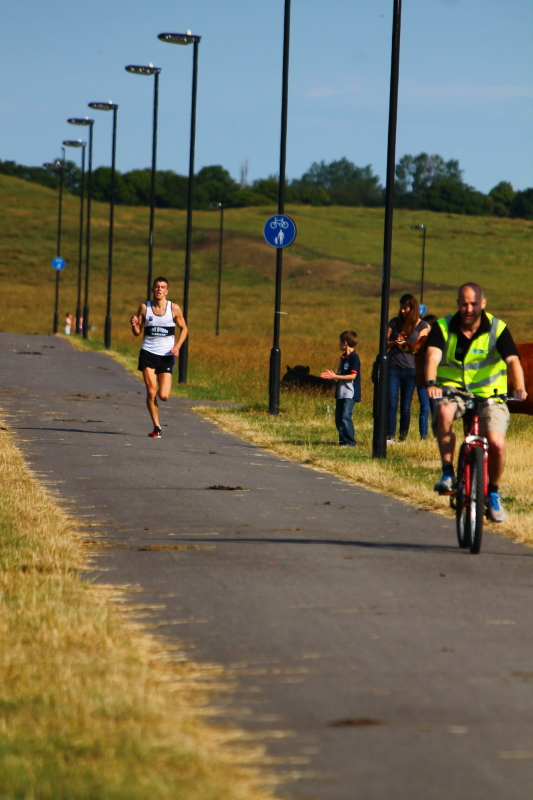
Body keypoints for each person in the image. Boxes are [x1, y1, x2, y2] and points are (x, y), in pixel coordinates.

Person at [425, 282, 527, 522]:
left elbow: (512, 360)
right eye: (464, 304)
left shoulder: (497, 328)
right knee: (445, 412)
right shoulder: (443, 327)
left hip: (491, 395)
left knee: (497, 442)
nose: (468, 309)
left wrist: (520, 388)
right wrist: (431, 382)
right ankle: (448, 472)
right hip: (454, 391)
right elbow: (432, 356)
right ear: (458, 304)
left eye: (473, 304)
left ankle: (493, 492)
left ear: (483, 303)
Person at [130, 277, 188, 438]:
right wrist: (134, 324)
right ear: (152, 289)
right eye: (157, 287)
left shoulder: (174, 309)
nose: (159, 289)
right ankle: (157, 427)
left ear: (166, 291)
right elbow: (137, 332)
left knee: (164, 396)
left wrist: (177, 347)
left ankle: (157, 423)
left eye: (162, 287)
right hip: (148, 352)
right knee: (151, 391)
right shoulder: (144, 307)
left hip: (166, 356)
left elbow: (184, 329)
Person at [386, 294, 430, 443]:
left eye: (406, 308)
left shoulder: (422, 325)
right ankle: (389, 435)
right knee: (392, 403)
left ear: (412, 309)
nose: (403, 311)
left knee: (406, 405)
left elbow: (420, 346)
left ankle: (402, 437)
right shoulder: (394, 323)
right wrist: (396, 342)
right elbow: (384, 343)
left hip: (411, 369)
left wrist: (407, 344)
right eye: (401, 308)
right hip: (393, 367)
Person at [320, 330, 361, 447]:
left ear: (345, 343)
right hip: (341, 392)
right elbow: (342, 373)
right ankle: (343, 440)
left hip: (349, 393)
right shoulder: (343, 357)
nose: (339, 345)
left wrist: (335, 376)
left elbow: (353, 375)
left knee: (345, 417)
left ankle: (350, 441)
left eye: (340, 342)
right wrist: (334, 374)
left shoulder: (354, 358)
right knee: (338, 419)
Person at [414, 314, 438, 439]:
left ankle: (436, 434)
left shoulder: (439, 342)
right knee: (424, 408)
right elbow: (412, 350)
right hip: (422, 380)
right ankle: (423, 436)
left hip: (435, 381)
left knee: (435, 408)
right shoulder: (421, 342)